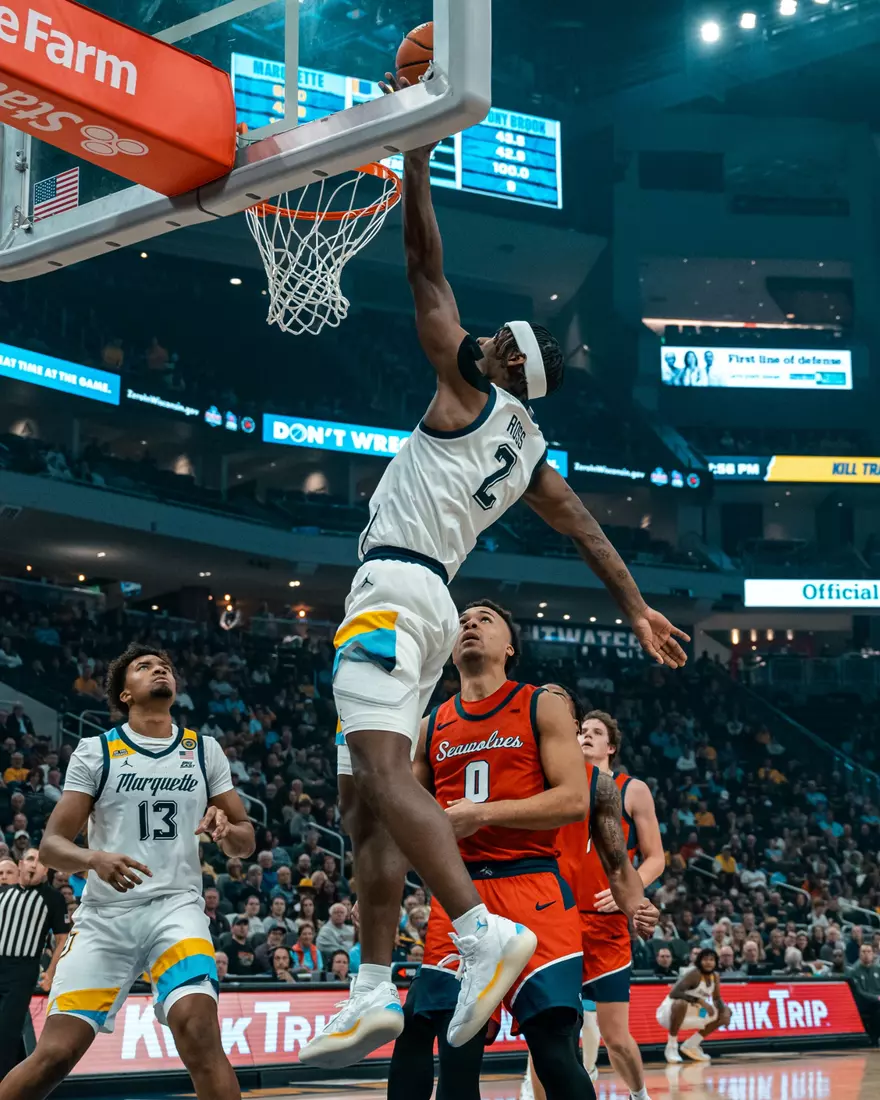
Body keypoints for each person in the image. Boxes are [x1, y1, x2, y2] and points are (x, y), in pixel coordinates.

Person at [302, 105, 690, 1070]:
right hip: (430, 607)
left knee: (387, 783)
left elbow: (424, 270)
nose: (479, 340)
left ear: (509, 364)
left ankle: (477, 932)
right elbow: (590, 531)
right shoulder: (532, 458)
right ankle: (368, 986)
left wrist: (419, 156)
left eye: (499, 344)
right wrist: (635, 604)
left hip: (394, 590)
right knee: (367, 804)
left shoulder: (469, 393)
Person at [386, 607, 654, 1100]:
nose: (469, 624)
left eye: (485, 619)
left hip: (533, 888)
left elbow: (575, 799)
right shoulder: (432, 724)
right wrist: (375, 889)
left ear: (511, 647)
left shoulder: (541, 704)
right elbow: (407, 822)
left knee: (553, 1048)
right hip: (459, 893)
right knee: (439, 1039)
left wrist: (484, 815)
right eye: (463, 619)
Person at [0, 644, 255, 1100]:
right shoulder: (97, 751)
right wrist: (94, 858)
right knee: (55, 1055)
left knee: (198, 1031)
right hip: (105, 916)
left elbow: (246, 839)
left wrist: (226, 829)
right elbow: (52, 847)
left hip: (175, 910)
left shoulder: (205, 750)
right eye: (145, 667)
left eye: (167, 666)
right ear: (125, 693)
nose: (161, 669)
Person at [530, 710, 664, 1100]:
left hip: (605, 925)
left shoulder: (631, 789)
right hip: (556, 920)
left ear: (611, 746)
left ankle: (639, 1095)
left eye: (596, 732)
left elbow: (655, 857)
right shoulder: (554, 784)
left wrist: (627, 889)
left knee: (616, 1037)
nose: (586, 737)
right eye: (581, 731)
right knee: (550, 1035)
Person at [0, 850, 69, 1077]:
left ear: (46, 871)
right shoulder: (3, 893)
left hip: (22, 969)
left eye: (40, 863)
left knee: (7, 1030)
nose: (34, 865)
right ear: (21, 864)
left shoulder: (52, 898)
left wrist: (50, 973)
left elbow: (62, 939)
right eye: (30, 859)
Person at [656, 948, 731, 1064]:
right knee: (681, 1003)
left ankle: (691, 1045)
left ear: (716, 962)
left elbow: (716, 998)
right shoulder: (694, 974)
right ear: (699, 961)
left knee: (725, 1011)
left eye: (711, 959)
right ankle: (671, 1047)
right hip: (669, 1013)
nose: (708, 962)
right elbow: (674, 993)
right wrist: (700, 1001)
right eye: (705, 959)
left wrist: (724, 1012)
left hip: (694, 1012)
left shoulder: (715, 976)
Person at [848, 943, 880, 1044]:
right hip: (864, 1003)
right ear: (859, 954)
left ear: (873, 954)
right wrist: (876, 998)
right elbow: (859, 992)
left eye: (869, 952)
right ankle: (874, 1038)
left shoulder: (878, 970)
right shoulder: (854, 972)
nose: (866, 954)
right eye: (863, 952)